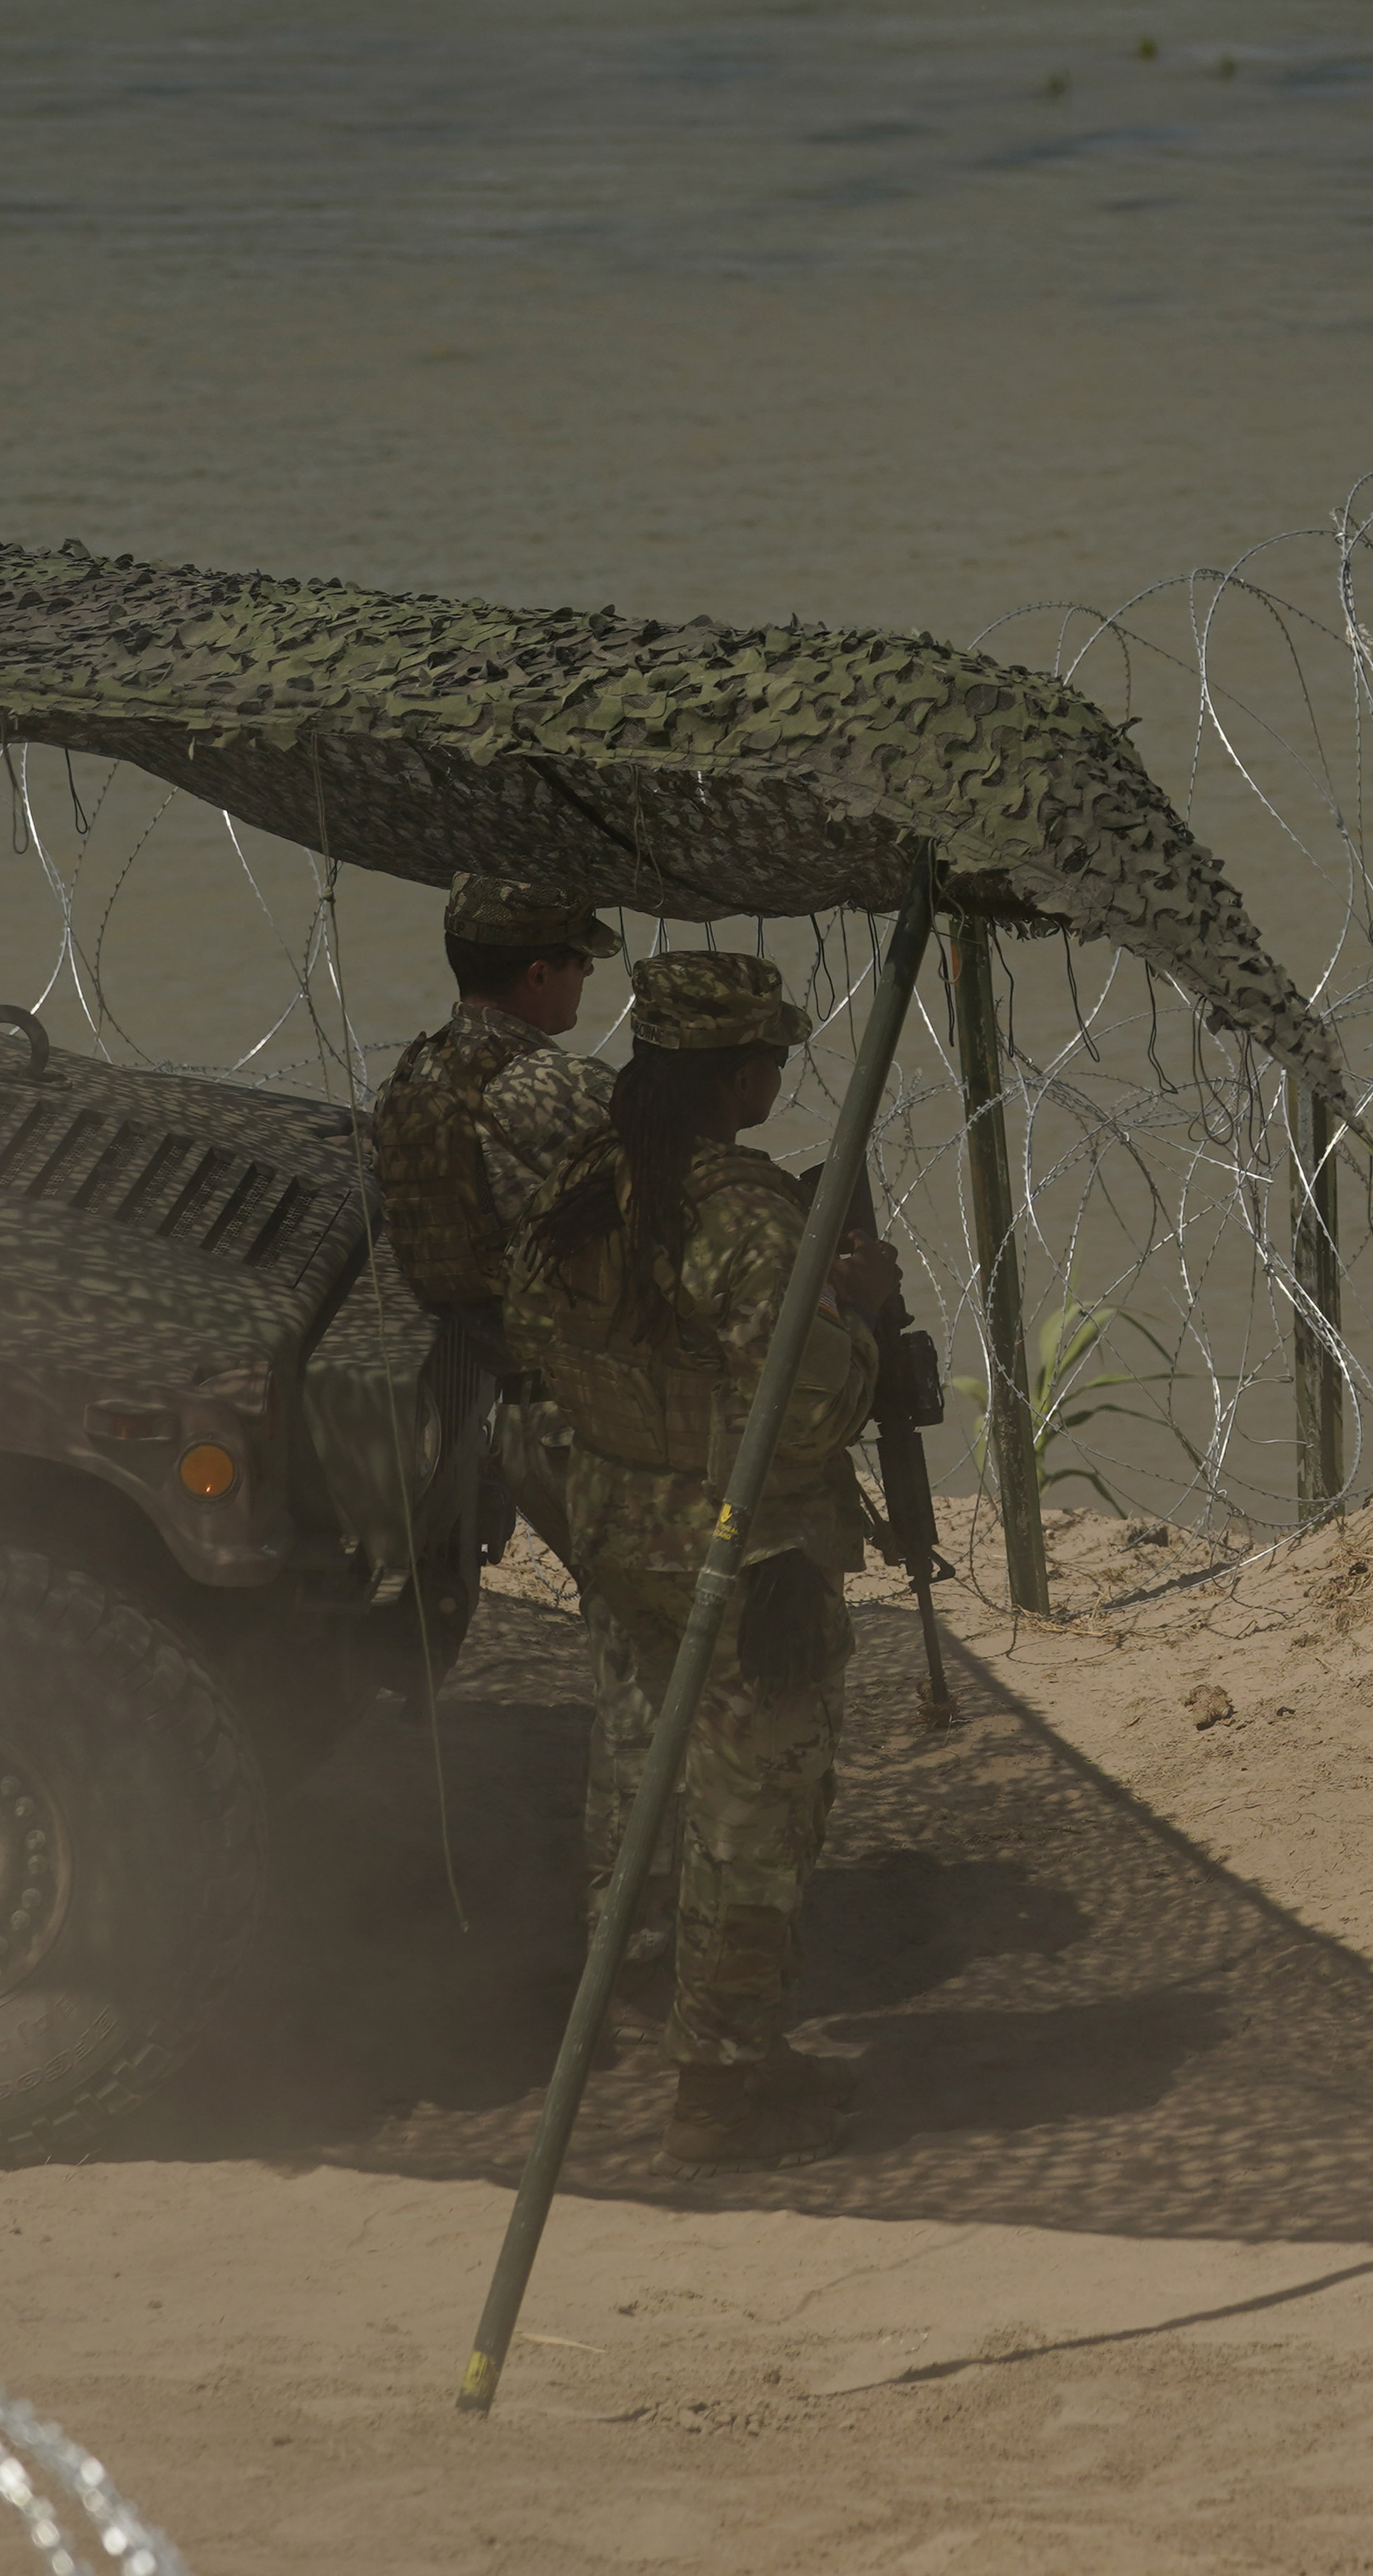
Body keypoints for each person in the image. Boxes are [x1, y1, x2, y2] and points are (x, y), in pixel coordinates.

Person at [506, 952, 899, 2176]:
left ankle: (635, 1995)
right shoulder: (736, 1212)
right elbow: (808, 1407)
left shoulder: (593, 1179)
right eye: (770, 1060)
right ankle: (719, 2091)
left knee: (642, 1770)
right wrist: (862, 1319)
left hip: (622, 1529)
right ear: (739, 1076)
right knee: (754, 1817)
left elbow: (536, 1334)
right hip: (745, 1557)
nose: (777, 1076)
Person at [370, 875, 622, 1560]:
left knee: (629, 1632)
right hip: (603, 1418)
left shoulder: (413, 1078)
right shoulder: (561, 1086)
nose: (590, 972)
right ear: (540, 973)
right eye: (580, 960)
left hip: (509, 1422)